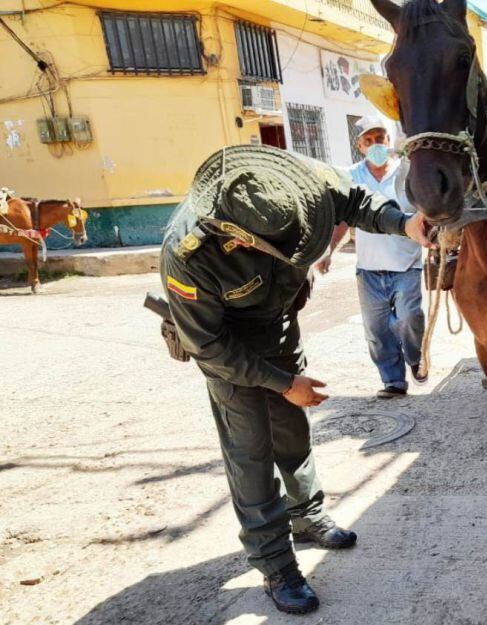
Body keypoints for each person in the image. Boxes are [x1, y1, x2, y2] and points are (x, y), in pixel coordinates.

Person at [160, 146, 430, 615]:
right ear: (236, 238)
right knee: (251, 452)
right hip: (228, 347)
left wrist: (402, 223)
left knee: (291, 430)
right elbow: (210, 347)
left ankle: (306, 516)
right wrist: (283, 383)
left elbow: (357, 201)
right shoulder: (188, 254)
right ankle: (275, 565)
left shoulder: (299, 184)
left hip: (280, 324)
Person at [318, 117, 426, 399]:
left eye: (380, 138)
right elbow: (343, 219)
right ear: (360, 146)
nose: (376, 144)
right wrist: (329, 251)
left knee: (409, 317)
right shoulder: (352, 177)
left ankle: (415, 357)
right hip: (369, 269)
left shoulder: (407, 173)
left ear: (389, 141)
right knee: (378, 331)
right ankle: (393, 381)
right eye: (369, 141)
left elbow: (425, 210)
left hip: (407, 265)